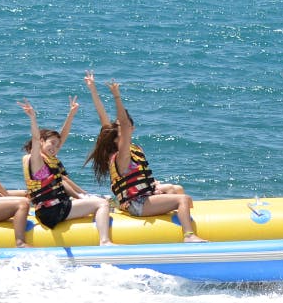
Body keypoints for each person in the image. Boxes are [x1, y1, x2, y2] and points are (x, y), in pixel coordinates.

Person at [83, 74, 204, 241]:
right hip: (136, 204)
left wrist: (93, 89)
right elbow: (116, 123)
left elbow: (108, 118)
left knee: (177, 189)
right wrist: (116, 96)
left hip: (141, 196)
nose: (123, 131)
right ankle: (189, 236)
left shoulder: (133, 148)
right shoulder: (121, 154)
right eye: (121, 131)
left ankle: (176, 219)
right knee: (182, 200)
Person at [19, 100, 113, 245]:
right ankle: (105, 241)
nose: (55, 147)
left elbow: (62, 136)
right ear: (42, 142)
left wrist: (71, 114)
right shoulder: (36, 161)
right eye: (51, 143)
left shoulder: (48, 158)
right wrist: (32, 117)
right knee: (102, 204)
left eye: (57, 145)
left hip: (51, 209)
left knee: (93, 201)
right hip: (54, 212)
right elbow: (36, 139)